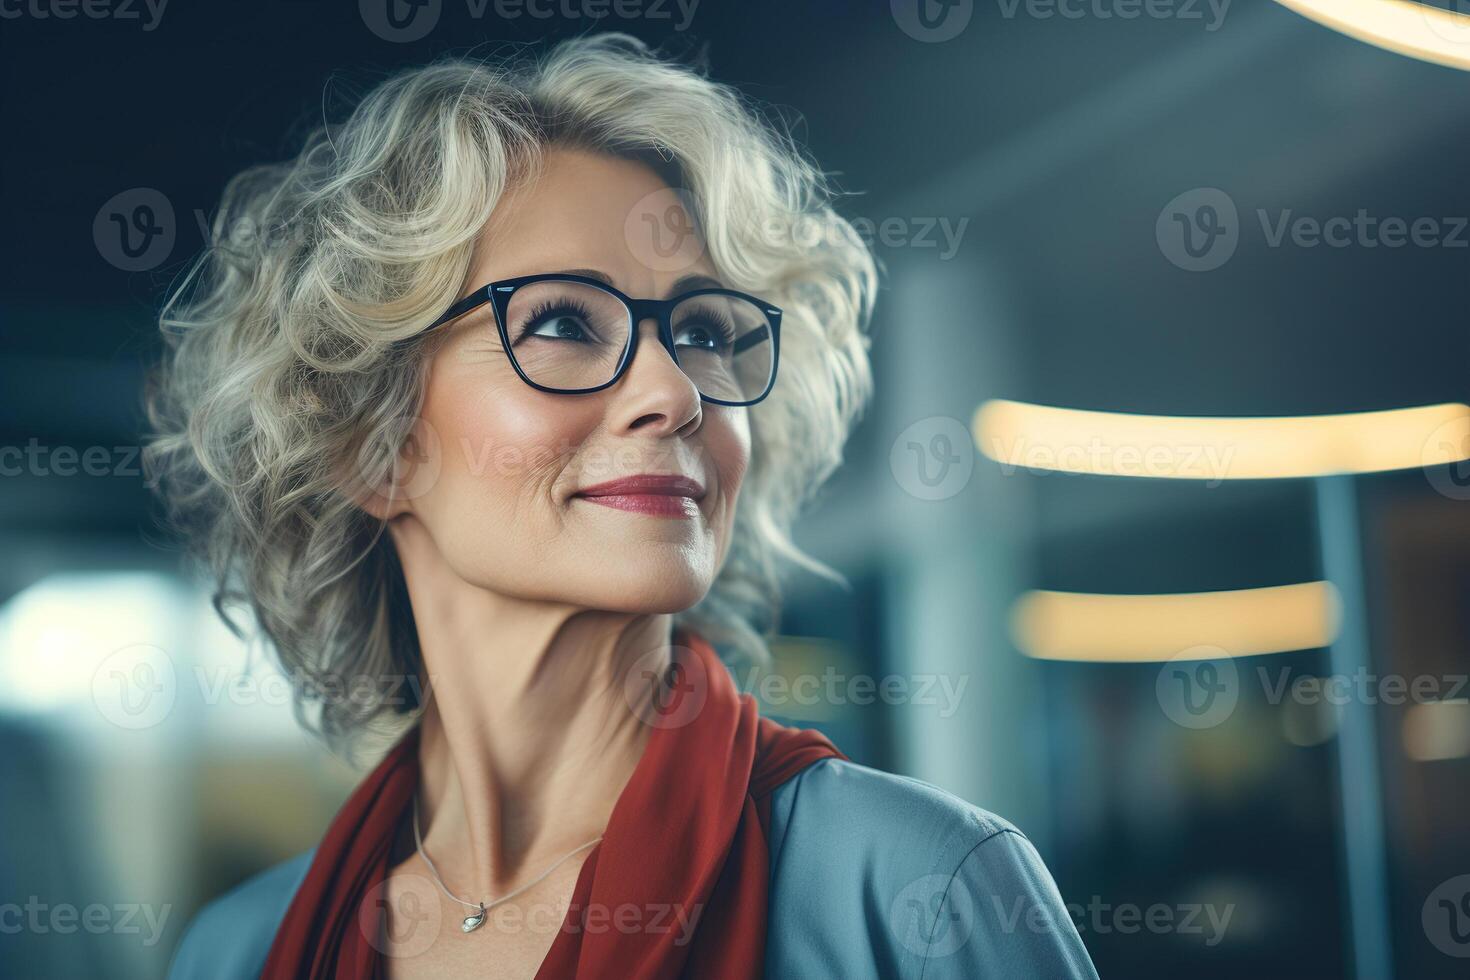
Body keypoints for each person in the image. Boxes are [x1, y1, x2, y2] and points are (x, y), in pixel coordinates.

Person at [148, 33, 1098, 979]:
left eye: (706, 330)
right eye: (561, 320)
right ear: (373, 444)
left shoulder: (919, 890)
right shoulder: (239, 953)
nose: (680, 391)